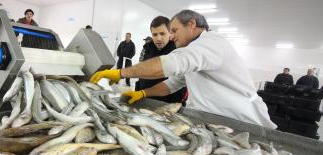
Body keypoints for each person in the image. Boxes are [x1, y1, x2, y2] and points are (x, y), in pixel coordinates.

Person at [91, 10, 276, 129]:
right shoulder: (194, 49)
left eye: (174, 30)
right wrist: (144, 94)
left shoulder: (212, 43)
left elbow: (171, 64)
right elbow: (173, 83)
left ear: (192, 25)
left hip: (239, 120)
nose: (171, 36)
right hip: (213, 121)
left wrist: (121, 72)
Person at [135, 16, 187, 104]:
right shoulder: (147, 48)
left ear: (170, 33)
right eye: (155, 34)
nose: (158, 38)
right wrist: (137, 90)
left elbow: (180, 82)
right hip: (146, 100)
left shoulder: (178, 51)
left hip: (169, 104)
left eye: (162, 34)